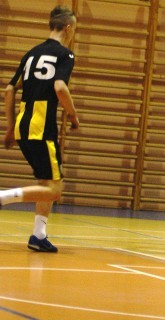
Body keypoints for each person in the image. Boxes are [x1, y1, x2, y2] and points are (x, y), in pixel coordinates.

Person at [1, 5, 79, 253]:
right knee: (54, 189)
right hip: (42, 126)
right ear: (68, 28)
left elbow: (10, 90)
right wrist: (73, 114)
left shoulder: (31, 54)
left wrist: (10, 127)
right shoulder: (65, 55)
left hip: (23, 125)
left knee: (46, 180)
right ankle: (2, 198)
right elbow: (60, 87)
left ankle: (38, 235)